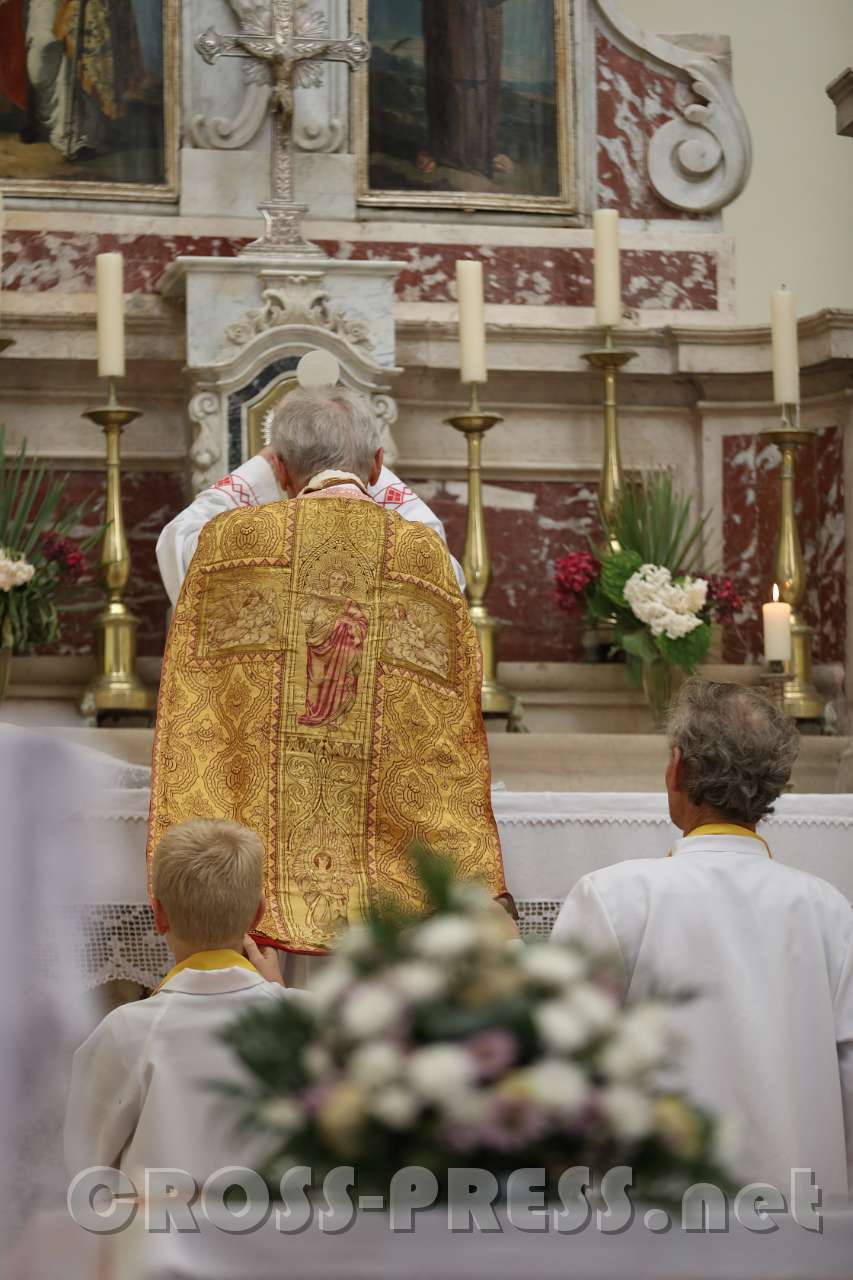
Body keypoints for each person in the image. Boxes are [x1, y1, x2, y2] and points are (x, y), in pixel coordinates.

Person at [149, 386, 508, 957]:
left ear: (283, 470)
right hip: (382, 844)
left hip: (267, 865)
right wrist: (373, 476)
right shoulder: (422, 556)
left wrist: (262, 472)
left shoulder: (233, 543)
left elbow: (177, 546)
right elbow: (450, 578)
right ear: (378, 463)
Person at [552, 678, 853, 1202]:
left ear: (677, 768)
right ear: (775, 783)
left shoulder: (611, 896)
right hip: (799, 1220)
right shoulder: (828, 909)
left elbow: (562, 1067)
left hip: (652, 1220)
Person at [64, 818, 293, 1188]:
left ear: (158, 914)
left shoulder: (127, 1030)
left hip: (161, 1241)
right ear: (258, 914)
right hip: (279, 1238)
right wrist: (279, 998)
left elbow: (81, 1166)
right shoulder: (302, 1018)